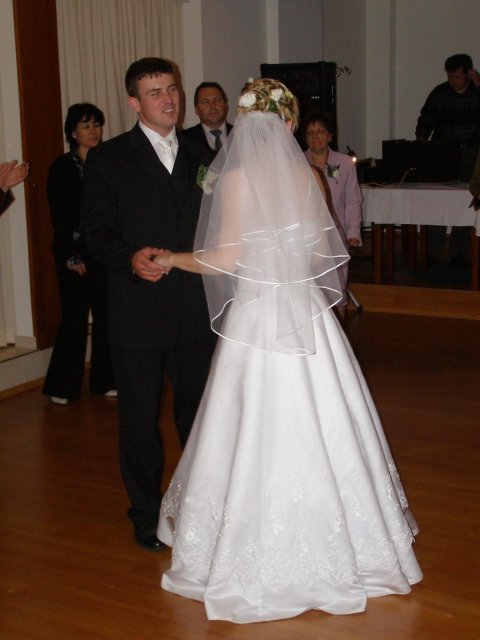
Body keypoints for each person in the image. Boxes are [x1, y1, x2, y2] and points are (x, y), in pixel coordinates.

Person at [156, 78, 423, 623]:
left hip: (258, 316)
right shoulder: (307, 175)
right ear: (289, 123)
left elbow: (225, 259)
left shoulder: (236, 180)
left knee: (249, 423)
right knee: (326, 420)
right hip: (306, 313)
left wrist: (173, 258)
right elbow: (316, 252)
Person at [80, 58, 216, 553]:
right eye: (155, 92)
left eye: (172, 89)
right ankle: (145, 511)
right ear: (134, 102)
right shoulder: (110, 158)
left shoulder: (204, 155)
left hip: (194, 305)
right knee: (139, 418)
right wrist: (129, 258)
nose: (168, 99)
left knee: (199, 413)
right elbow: (95, 230)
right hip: (136, 306)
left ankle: (201, 505)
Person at [42, 103, 115, 406]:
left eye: (96, 125)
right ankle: (62, 386)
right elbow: (59, 216)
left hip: (104, 250)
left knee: (106, 317)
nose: (93, 131)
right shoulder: (62, 167)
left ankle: (105, 380)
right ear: (73, 132)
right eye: (86, 126)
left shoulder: (109, 162)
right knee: (74, 317)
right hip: (73, 252)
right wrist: (71, 256)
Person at [415, 53, 480, 265]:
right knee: (437, 199)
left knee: (464, 201)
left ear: (469, 74)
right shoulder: (440, 93)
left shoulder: (477, 92)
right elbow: (426, 118)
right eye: (450, 76)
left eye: (457, 77)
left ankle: (458, 252)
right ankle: (432, 252)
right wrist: (421, 141)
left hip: (472, 153)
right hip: (444, 153)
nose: (453, 81)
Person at [303, 111, 363, 316]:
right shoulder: (298, 162)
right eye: (310, 132)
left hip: (337, 231)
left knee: (338, 283)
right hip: (308, 233)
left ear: (329, 135)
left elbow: (353, 200)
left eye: (320, 131)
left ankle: (340, 325)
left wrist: (353, 232)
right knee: (313, 284)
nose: (315, 136)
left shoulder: (345, 162)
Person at [183, 81, 233, 152]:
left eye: (217, 100)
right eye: (205, 102)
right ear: (196, 109)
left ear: (225, 106)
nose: (212, 106)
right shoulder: (184, 139)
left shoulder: (241, 134)